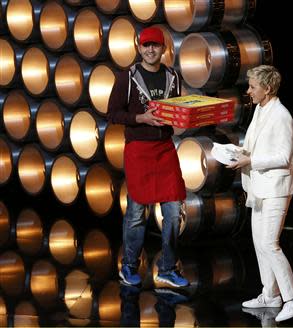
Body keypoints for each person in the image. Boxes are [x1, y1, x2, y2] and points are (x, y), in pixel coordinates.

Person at [108, 26, 189, 288]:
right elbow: (112, 114)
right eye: (146, 46)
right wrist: (140, 118)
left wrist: (187, 117)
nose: (151, 50)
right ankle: (129, 265)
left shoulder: (173, 77)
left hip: (165, 149)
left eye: (155, 45)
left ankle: (168, 267)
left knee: (175, 213)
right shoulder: (127, 78)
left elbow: (176, 111)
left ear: (164, 48)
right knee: (135, 213)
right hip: (138, 150)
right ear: (139, 48)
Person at [227, 65, 293, 322]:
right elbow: (256, 146)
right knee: (260, 244)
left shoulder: (281, 115)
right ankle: (270, 295)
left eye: (252, 86)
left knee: (270, 244)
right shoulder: (261, 109)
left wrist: (250, 161)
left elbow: (283, 157)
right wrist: (238, 152)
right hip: (260, 187)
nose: (248, 91)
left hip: (276, 188)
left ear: (267, 89)